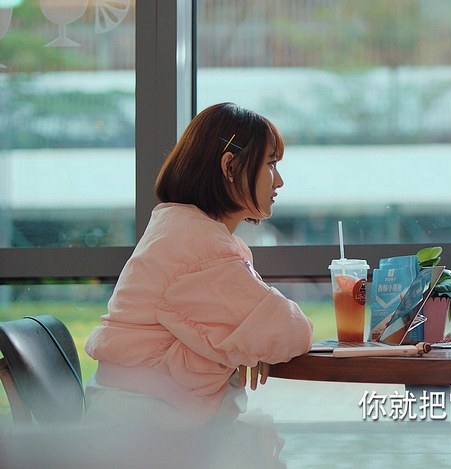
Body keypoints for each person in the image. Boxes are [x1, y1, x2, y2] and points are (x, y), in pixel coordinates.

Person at [84, 102, 313, 428]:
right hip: (145, 429)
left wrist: (247, 347)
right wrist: (249, 345)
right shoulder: (200, 247)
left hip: (137, 416)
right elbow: (292, 331)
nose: (279, 181)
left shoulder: (181, 227)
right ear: (230, 167)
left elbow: (257, 331)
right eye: (270, 164)